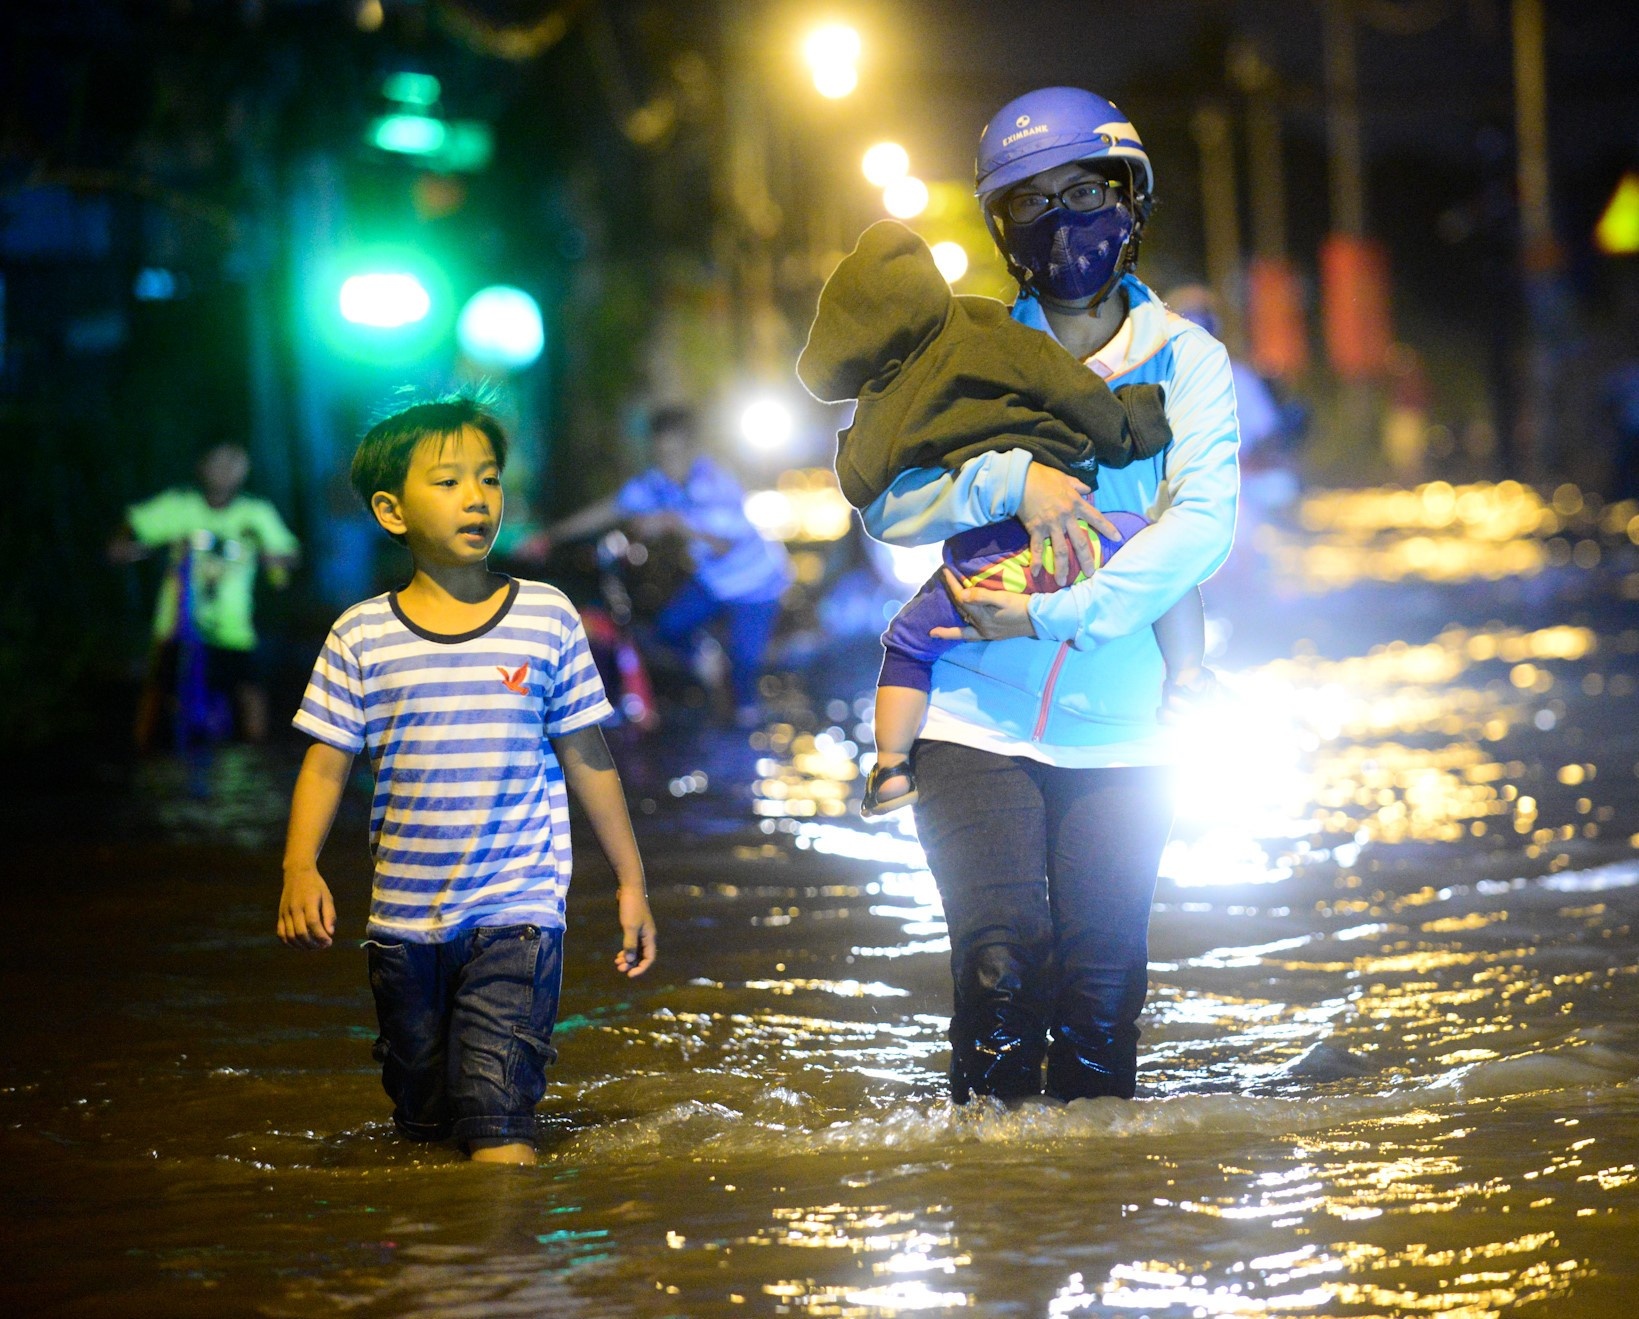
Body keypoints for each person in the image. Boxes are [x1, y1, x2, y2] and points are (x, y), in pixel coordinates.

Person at [860, 87, 1239, 1103]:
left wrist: (1062, 613)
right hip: (972, 712)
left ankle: (1082, 1217)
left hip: (1130, 724)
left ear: (1133, 200)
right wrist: (1006, 481)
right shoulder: (963, 354)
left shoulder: (1188, 361)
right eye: (1032, 201)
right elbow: (886, 507)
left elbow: (1201, 527)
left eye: (1088, 191)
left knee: (1104, 981)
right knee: (999, 953)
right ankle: (991, 1204)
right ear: (1000, 227)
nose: (1065, 222)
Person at [275, 393, 656, 1165]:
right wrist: (298, 865)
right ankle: (444, 1269)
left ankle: (506, 1281)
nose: (477, 497)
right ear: (391, 509)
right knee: (420, 1126)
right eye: (447, 481)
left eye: (488, 478)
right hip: (404, 922)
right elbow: (326, 761)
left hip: (518, 907)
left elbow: (589, 757)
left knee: (496, 1118)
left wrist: (630, 880)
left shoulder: (546, 616)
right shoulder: (360, 634)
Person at [797, 219, 1211, 816]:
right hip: (1080, 541)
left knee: (909, 644)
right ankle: (1191, 680)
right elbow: (1064, 385)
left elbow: (870, 492)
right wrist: (1131, 423)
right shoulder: (992, 332)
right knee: (1166, 559)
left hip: (983, 570)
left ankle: (888, 767)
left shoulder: (887, 398)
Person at [542, 405, 792, 725]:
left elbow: (724, 544)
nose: (669, 463)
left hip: (757, 583)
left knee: (744, 671)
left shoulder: (717, 483)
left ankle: (747, 735)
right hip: (713, 581)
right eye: (661, 454)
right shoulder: (656, 484)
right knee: (667, 629)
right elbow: (610, 509)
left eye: (675, 453)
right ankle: (707, 660)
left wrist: (674, 522)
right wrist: (550, 537)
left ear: (691, 448)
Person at [109, 442, 299, 746]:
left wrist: (268, 555)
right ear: (202, 465)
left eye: (235, 463)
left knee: (250, 689)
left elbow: (289, 555)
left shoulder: (255, 512)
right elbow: (130, 529)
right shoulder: (180, 505)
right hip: (177, 624)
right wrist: (131, 549)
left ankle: (257, 754)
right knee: (159, 687)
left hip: (232, 626)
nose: (226, 471)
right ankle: (142, 753)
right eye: (219, 461)